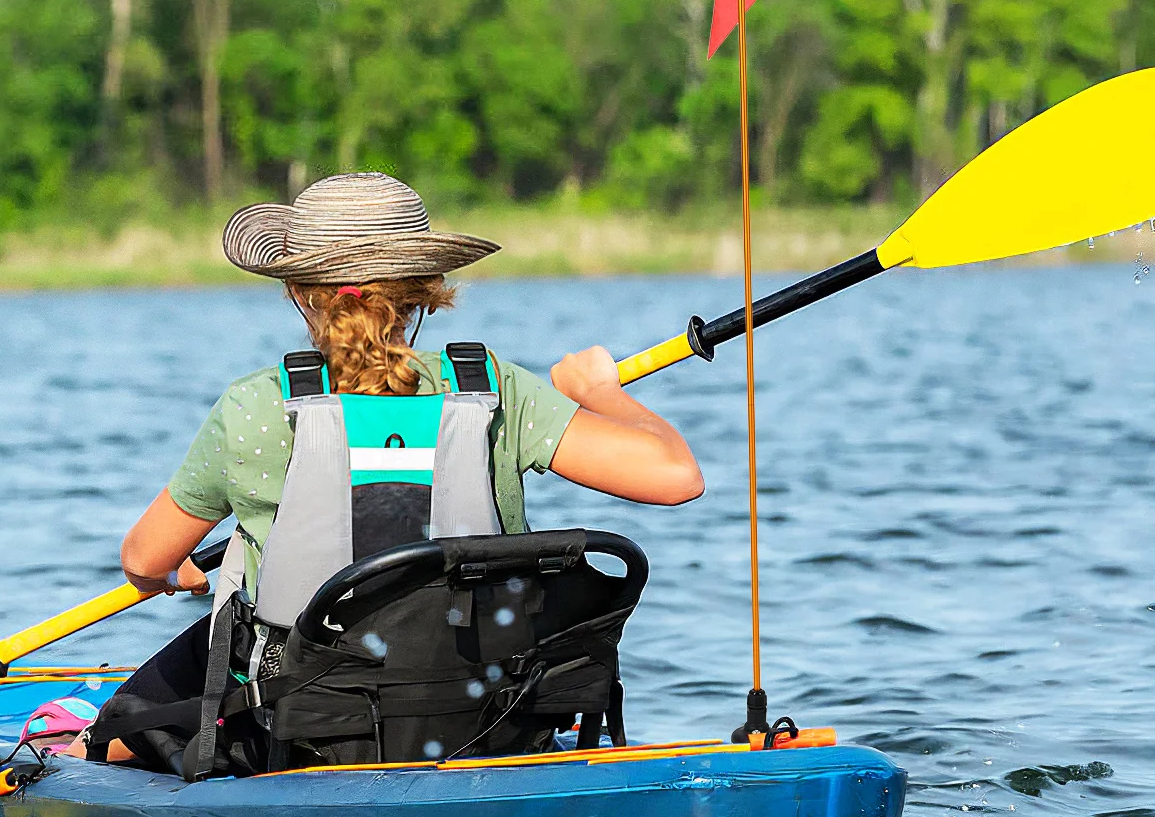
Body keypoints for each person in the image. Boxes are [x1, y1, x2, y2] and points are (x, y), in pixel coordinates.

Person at [74, 171, 703, 768]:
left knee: (194, 661)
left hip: (307, 731)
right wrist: (599, 393)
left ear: (299, 292)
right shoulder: (496, 392)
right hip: (484, 716)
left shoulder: (255, 408)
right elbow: (677, 476)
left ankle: (82, 751)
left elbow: (143, 558)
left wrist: (174, 572)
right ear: (425, 290)